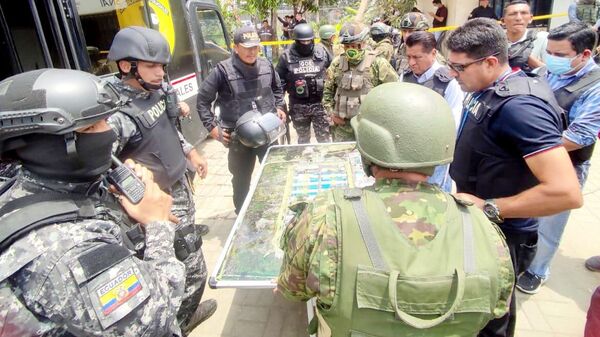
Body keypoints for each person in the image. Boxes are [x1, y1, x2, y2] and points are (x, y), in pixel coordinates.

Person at [277, 82, 514, 337]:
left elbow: (293, 290)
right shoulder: (481, 225)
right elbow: (499, 306)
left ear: (368, 147)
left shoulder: (326, 215)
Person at [0, 69, 186, 336]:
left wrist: (121, 202)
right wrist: (157, 224)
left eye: (106, 121)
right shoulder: (67, 253)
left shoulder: (41, 182)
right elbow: (154, 320)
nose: (108, 134)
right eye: (90, 127)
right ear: (44, 146)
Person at [446, 18, 583, 337]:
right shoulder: (488, 86)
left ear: (490, 62)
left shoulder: (521, 107)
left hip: (504, 234)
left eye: (459, 67)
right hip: (484, 224)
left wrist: (489, 206)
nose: (453, 74)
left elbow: (566, 193)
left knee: (491, 321)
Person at [106, 26, 215, 332]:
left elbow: (169, 132)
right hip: (158, 205)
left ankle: (183, 314)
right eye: (150, 65)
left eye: (161, 66)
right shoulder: (117, 115)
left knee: (189, 258)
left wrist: (191, 152)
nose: (159, 72)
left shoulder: (157, 92)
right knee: (192, 270)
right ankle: (175, 324)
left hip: (179, 187)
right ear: (127, 66)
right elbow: (104, 170)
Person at [516, 22, 600, 294]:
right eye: (549, 52)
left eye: (560, 55)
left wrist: (531, 145)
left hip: (566, 163)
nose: (552, 58)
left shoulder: (594, 86)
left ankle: (537, 270)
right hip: (530, 157)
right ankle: (520, 257)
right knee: (525, 211)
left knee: (549, 224)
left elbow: (580, 135)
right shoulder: (546, 72)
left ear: (585, 55)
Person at [196, 26, 286, 214]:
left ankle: (277, 209)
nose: (252, 52)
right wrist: (212, 128)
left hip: (267, 132)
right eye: (247, 47)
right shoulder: (222, 71)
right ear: (236, 47)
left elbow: (277, 89)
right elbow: (203, 101)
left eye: (255, 47)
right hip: (238, 138)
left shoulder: (266, 65)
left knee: (276, 172)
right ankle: (242, 215)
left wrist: (279, 107)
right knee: (241, 180)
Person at [401, 31, 464, 192]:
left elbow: (454, 125)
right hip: (407, 153)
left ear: (433, 53)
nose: (411, 63)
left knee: (436, 196)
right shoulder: (404, 77)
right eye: (408, 57)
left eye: (417, 57)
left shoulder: (449, 82)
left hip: (434, 157)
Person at [322, 21, 398, 142]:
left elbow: (394, 92)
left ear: (363, 43)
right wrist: (331, 114)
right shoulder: (337, 64)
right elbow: (327, 93)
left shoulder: (378, 63)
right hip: (343, 129)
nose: (350, 50)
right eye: (347, 46)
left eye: (354, 45)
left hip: (371, 128)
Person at [276, 23, 331, 144]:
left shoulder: (322, 52)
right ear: (296, 41)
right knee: (303, 141)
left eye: (308, 41)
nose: (306, 44)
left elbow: (333, 72)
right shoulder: (286, 57)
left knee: (324, 139)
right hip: (298, 106)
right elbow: (278, 84)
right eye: (302, 42)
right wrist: (280, 105)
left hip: (320, 104)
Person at [503, 0, 549, 72]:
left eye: (523, 13)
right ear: (503, 21)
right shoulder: (496, 41)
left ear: (530, 18)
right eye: (512, 14)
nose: (518, 18)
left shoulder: (542, 38)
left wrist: (528, 59)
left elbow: (553, 75)